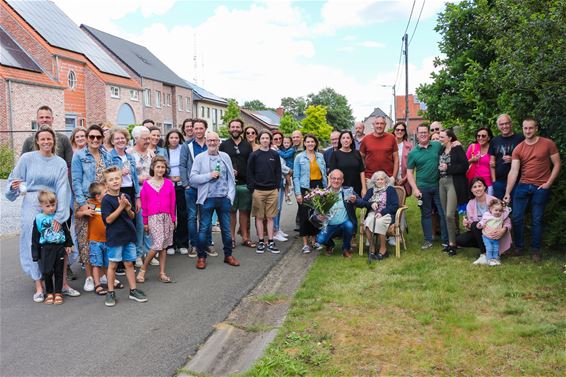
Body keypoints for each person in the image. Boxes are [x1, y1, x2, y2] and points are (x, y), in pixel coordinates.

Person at [7, 125, 74, 302]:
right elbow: (15, 179)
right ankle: (39, 285)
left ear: (54, 141)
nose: (46, 141)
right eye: (42, 139)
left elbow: (62, 188)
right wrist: (14, 187)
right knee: (34, 242)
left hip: (53, 204)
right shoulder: (27, 158)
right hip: (32, 204)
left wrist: (60, 216)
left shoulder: (59, 163)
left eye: (49, 138)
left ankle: (63, 284)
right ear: (37, 141)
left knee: (60, 242)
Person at [504, 118, 561, 262]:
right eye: (525, 128)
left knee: (537, 219)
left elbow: (557, 164)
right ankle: (519, 247)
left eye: (530, 128)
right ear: (522, 129)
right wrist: (507, 192)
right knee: (516, 217)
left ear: (536, 128)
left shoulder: (548, 144)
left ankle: (536, 250)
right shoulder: (519, 148)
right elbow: (514, 171)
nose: (528, 131)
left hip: (541, 186)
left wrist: (548, 183)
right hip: (523, 185)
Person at [189, 132, 240, 269]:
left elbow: (231, 178)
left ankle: (228, 255)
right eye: (210, 140)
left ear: (219, 142)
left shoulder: (225, 157)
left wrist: (230, 197)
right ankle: (201, 257)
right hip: (207, 199)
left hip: (224, 198)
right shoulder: (200, 158)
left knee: (227, 230)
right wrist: (209, 176)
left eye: (215, 141)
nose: (212, 143)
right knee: (204, 229)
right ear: (206, 142)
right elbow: (192, 178)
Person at [71, 124, 113, 292]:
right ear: (87, 138)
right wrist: (83, 204)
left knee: (102, 237)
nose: (95, 140)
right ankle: (89, 276)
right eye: (92, 137)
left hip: (104, 202)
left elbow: (110, 178)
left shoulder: (106, 155)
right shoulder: (79, 156)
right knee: (86, 239)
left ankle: (103, 273)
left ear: (102, 138)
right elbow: (76, 181)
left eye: (98, 137)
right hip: (86, 201)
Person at [101, 166, 148, 307]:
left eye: (117, 178)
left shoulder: (125, 196)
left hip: (129, 235)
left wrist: (127, 208)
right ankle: (110, 292)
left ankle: (133, 290)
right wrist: (121, 207)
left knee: (129, 263)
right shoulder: (106, 200)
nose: (115, 181)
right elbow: (108, 220)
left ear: (121, 180)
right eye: (111, 179)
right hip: (115, 237)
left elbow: (132, 215)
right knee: (113, 265)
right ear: (106, 184)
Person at [406, 124, 449, 249]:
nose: (423, 134)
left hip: (439, 186)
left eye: (425, 132)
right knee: (426, 214)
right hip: (423, 188)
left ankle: (446, 240)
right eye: (421, 133)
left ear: (429, 134)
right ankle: (428, 240)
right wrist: (415, 189)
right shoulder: (413, 153)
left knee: (443, 213)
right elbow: (409, 172)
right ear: (417, 135)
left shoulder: (437, 145)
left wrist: (456, 143)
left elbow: (449, 146)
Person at [137, 156, 176, 283]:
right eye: (158, 167)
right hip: (153, 218)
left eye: (163, 167)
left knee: (163, 246)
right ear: (153, 167)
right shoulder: (147, 185)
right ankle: (143, 268)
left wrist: (173, 218)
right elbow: (145, 205)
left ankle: (162, 273)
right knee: (157, 244)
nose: (160, 169)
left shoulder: (169, 184)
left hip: (167, 217)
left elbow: (173, 202)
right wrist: (145, 222)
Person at [180, 119, 215, 258]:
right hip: (192, 187)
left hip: (208, 186)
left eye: (201, 128)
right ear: (192, 130)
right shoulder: (187, 146)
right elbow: (182, 166)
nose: (198, 131)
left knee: (206, 216)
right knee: (192, 217)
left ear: (205, 129)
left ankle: (207, 243)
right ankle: (194, 244)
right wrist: (185, 183)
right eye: (196, 128)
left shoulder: (210, 144)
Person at [31, 190, 73, 305]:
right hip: (46, 248)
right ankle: (49, 292)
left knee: (59, 271)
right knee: (47, 271)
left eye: (53, 205)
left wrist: (68, 244)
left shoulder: (59, 217)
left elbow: (66, 231)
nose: (51, 208)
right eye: (47, 206)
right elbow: (35, 237)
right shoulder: (39, 219)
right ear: (41, 205)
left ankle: (58, 293)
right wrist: (35, 253)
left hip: (59, 247)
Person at [457, 177, 512, 264]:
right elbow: (472, 226)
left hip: (495, 232)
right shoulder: (471, 204)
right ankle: (486, 251)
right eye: (474, 187)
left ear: (485, 187)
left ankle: (485, 254)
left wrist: (503, 230)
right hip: (482, 232)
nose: (477, 189)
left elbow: (507, 220)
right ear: (471, 190)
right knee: (460, 240)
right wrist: (467, 224)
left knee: (475, 225)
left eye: (480, 186)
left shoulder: (494, 201)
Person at [219, 119, 256, 249]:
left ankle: (245, 237)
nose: (235, 129)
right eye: (233, 127)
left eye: (237, 127)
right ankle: (232, 238)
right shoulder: (224, 145)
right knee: (231, 212)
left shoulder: (247, 145)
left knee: (245, 212)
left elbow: (251, 165)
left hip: (245, 184)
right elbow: (220, 163)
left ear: (241, 129)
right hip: (229, 185)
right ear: (229, 129)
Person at [314, 169, 367, 258]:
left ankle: (346, 249)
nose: (336, 181)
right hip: (329, 225)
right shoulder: (323, 194)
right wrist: (318, 217)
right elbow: (314, 214)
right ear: (330, 179)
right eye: (334, 178)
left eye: (339, 179)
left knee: (349, 225)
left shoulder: (348, 191)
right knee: (320, 240)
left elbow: (362, 203)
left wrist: (355, 201)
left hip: (344, 224)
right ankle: (330, 245)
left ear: (342, 180)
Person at [247, 130, 282, 253]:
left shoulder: (275, 154)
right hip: (258, 191)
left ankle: (271, 241)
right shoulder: (254, 155)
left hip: (272, 190)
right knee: (259, 217)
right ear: (259, 140)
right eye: (263, 138)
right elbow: (249, 173)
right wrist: (252, 188)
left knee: (271, 217)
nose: (265, 140)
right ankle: (261, 241)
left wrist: (277, 186)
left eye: (267, 138)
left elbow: (278, 171)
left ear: (270, 140)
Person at [83, 182, 120, 295]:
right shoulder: (93, 204)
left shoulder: (107, 205)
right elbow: (78, 213)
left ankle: (110, 280)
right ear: (98, 196)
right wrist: (84, 212)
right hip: (95, 240)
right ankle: (97, 284)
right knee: (96, 263)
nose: (108, 193)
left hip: (107, 239)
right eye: (106, 192)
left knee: (107, 263)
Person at [293, 134, 327, 254]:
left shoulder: (320, 156)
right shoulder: (299, 157)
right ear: (304, 143)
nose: (310, 144)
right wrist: (298, 193)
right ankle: (305, 244)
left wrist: (325, 190)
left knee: (317, 215)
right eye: (308, 142)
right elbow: (296, 176)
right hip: (305, 187)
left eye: (312, 142)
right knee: (304, 215)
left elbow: (324, 174)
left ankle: (314, 241)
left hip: (318, 187)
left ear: (316, 143)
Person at [438, 129, 469, 256]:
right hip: (441, 183)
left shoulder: (457, 149)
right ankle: (451, 243)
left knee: (450, 214)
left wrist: (448, 168)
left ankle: (453, 243)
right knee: (446, 214)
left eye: (442, 137)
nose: (439, 139)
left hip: (453, 183)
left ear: (450, 138)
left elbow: (465, 166)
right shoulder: (441, 150)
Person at [129, 126, 155, 266]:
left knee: (151, 222)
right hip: (138, 191)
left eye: (148, 138)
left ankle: (150, 252)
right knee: (140, 223)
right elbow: (129, 176)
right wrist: (141, 178)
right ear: (136, 139)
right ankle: (138, 253)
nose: (147, 141)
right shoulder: (129, 153)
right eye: (145, 138)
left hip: (152, 191)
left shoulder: (152, 153)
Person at [362, 171, 399, 260]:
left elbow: (395, 205)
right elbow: (364, 202)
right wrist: (371, 204)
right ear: (374, 181)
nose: (380, 181)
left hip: (386, 214)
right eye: (377, 179)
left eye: (382, 179)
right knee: (367, 222)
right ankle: (372, 248)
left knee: (379, 222)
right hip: (373, 213)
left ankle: (383, 249)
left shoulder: (390, 190)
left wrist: (382, 212)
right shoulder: (371, 191)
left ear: (385, 180)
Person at [164, 129, 189, 255]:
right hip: (168, 186)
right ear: (168, 139)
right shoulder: (164, 151)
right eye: (171, 137)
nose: (174, 140)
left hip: (181, 186)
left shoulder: (183, 149)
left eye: (176, 137)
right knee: (169, 215)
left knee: (183, 214)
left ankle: (182, 242)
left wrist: (184, 180)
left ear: (180, 138)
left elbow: (187, 165)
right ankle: (170, 244)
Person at [489, 114, 524, 200]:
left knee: (515, 208)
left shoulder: (520, 138)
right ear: (498, 126)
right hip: (499, 182)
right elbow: (492, 162)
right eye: (501, 124)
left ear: (511, 124)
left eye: (506, 123)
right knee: (500, 209)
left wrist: (513, 160)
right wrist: (494, 181)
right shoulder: (494, 140)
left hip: (517, 181)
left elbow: (527, 160)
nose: (504, 126)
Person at [360, 115, 398, 189]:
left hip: (387, 178)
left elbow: (396, 159)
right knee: (371, 200)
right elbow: (360, 158)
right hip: (370, 179)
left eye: (381, 123)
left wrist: (393, 177)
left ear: (385, 125)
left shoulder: (391, 138)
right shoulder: (366, 139)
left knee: (388, 200)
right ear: (373, 125)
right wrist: (364, 177)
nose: (379, 126)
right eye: (377, 123)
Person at [329, 130, 366, 197]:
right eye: (343, 138)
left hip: (357, 187)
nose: (346, 140)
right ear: (340, 140)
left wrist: (364, 188)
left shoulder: (357, 153)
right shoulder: (335, 154)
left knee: (357, 206)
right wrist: (330, 189)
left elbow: (362, 171)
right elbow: (331, 173)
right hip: (341, 188)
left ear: (351, 140)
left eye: (348, 138)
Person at [477, 199, 511, 266]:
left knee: (496, 248)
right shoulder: (487, 215)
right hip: (487, 236)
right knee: (489, 248)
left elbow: (507, 212)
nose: (498, 212)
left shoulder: (501, 217)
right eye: (496, 210)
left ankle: (495, 259)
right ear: (491, 209)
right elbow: (482, 221)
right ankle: (489, 259)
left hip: (496, 237)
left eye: (500, 210)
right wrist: (480, 225)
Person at [466, 127, 494, 194]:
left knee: (488, 203)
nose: (480, 138)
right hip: (474, 184)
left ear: (489, 138)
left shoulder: (493, 148)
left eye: (483, 136)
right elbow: (463, 164)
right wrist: (471, 160)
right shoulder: (473, 147)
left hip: (488, 184)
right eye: (478, 136)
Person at [391, 121, 413, 196]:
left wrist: (405, 179)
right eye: (397, 129)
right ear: (394, 131)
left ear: (404, 132)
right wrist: (394, 178)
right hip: (390, 178)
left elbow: (412, 165)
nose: (399, 131)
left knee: (401, 201)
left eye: (402, 130)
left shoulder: (409, 146)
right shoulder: (389, 145)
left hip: (404, 178)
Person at [279, 136, 295, 204]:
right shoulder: (283, 149)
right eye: (284, 143)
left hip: (289, 167)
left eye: (288, 143)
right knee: (285, 184)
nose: (286, 144)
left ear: (291, 143)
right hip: (284, 167)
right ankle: (287, 197)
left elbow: (285, 156)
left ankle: (291, 187)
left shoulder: (292, 150)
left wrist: (278, 151)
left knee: (287, 177)